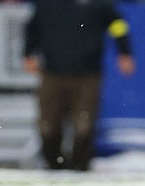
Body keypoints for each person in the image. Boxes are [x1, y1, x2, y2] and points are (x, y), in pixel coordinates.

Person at [23, 0, 135, 172]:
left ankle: (80, 167)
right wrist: (28, 52)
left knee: (84, 127)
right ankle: (55, 165)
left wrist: (124, 52)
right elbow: (33, 25)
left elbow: (117, 24)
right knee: (47, 127)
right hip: (53, 72)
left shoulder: (99, 3)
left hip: (87, 75)